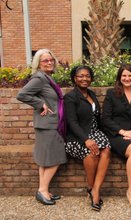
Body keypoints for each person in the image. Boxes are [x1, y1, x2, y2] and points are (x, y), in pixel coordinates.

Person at [17, 49, 67, 205]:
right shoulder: (39, 78)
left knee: (45, 159)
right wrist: (40, 104)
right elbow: (22, 94)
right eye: (45, 60)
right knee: (57, 158)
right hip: (48, 125)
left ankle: (44, 190)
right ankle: (42, 190)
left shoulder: (47, 78)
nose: (50, 62)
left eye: (51, 59)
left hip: (48, 124)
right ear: (38, 63)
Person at [101, 64, 131, 209]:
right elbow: (106, 119)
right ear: (119, 77)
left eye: (130, 75)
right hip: (117, 134)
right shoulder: (112, 94)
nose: (127, 78)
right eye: (124, 75)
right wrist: (123, 132)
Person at [64, 65, 111, 211]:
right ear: (74, 78)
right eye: (81, 76)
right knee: (91, 153)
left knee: (106, 150)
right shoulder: (70, 97)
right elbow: (72, 122)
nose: (85, 79)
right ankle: (92, 189)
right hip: (76, 136)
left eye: (87, 76)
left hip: (94, 132)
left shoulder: (91, 94)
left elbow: (96, 118)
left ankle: (94, 189)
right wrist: (86, 139)